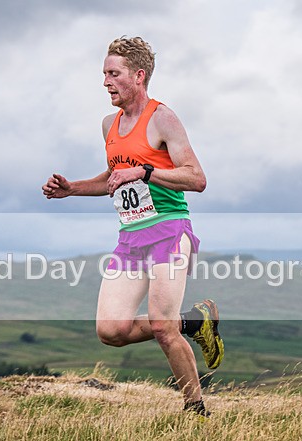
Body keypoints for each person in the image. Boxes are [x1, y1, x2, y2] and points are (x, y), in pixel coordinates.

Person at [42, 36, 223, 416]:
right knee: (111, 331)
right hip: (130, 237)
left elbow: (197, 178)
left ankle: (196, 410)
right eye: (104, 74)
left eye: (114, 74)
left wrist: (146, 170)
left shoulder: (163, 118)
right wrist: (71, 189)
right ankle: (194, 322)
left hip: (170, 231)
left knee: (161, 327)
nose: (106, 82)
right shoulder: (109, 124)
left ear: (138, 76)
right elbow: (112, 177)